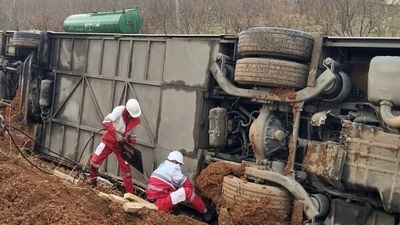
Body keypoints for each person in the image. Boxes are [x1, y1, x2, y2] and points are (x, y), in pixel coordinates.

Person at [87, 99, 141, 193]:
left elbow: (133, 137)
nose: (132, 117)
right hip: (110, 139)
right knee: (95, 161)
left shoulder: (136, 120)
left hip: (122, 145)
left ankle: (129, 194)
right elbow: (106, 122)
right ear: (127, 110)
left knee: (126, 170)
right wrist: (116, 134)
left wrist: (131, 149)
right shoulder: (119, 110)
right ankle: (92, 181)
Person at [146, 151, 214, 221]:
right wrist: (195, 197)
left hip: (152, 199)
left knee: (176, 192)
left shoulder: (163, 165)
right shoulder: (174, 168)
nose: (179, 166)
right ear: (176, 162)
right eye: (180, 164)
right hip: (159, 204)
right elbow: (187, 184)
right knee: (187, 192)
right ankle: (205, 211)